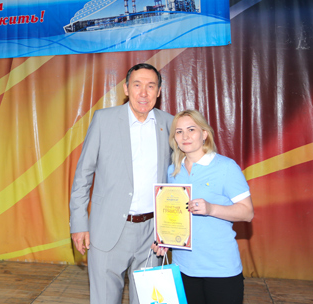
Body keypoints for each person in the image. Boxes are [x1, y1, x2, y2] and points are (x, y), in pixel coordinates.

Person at [69, 63, 174, 304]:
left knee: (149, 301)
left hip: (152, 236)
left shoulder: (170, 124)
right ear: (126, 89)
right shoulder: (104, 120)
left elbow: (178, 179)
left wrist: (169, 232)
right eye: (137, 85)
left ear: (159, 92)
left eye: (151, 86)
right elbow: (83, 175)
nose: (143, 93)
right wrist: (79, 223)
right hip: (107, 231)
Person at [153, 109, 254, 304]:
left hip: (220, 269)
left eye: (191, 129)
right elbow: (172, 216)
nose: (185, 136)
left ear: (204, 134)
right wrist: (164, 240)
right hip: (183, 268)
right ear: (174, 138)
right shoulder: (172, 172)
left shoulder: (226, 167)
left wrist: (211, 209)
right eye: (179, 131)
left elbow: (247, 212)